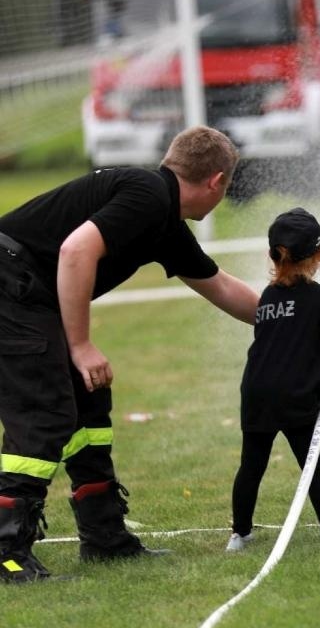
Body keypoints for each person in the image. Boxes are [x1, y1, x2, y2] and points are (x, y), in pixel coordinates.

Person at [0, 125, 260, 584]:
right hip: (11, 287)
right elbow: (75, 250)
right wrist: (80, 346)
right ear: (216, 181)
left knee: (88, 399)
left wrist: (292, 321)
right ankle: (4, 552)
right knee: (43, 412)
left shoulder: (163, 220)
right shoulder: (146, 195)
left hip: (27, 292)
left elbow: (219, 285)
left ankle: (105, 539)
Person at [227, 207, 320, 552]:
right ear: (318, 254)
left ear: (274, 255)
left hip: (257, 392)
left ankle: (240, 534)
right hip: (296, 394)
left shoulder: (267, 297)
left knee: (251, 465)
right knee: (313, 465)